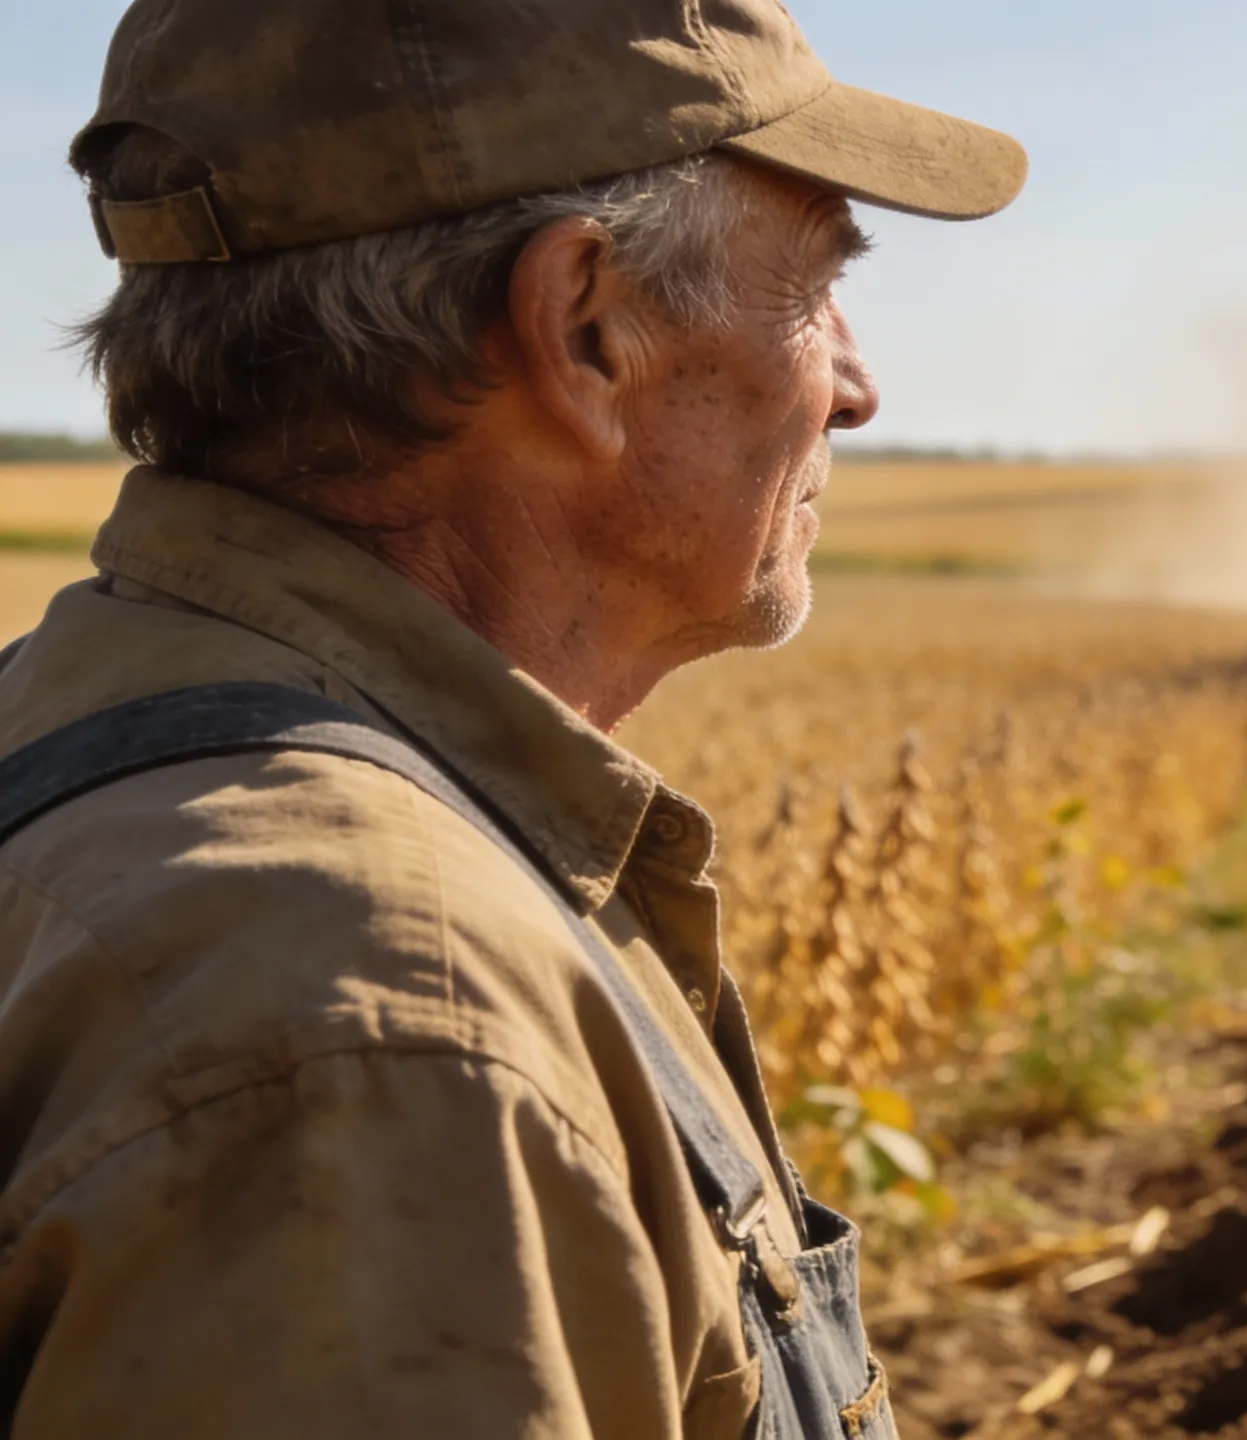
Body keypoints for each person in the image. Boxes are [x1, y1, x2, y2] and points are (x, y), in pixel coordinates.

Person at [0, 1, 1024, 1435]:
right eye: (816, 286)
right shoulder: (385, 1035)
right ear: (586, 328)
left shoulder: (78, 718)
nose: (855, 385)